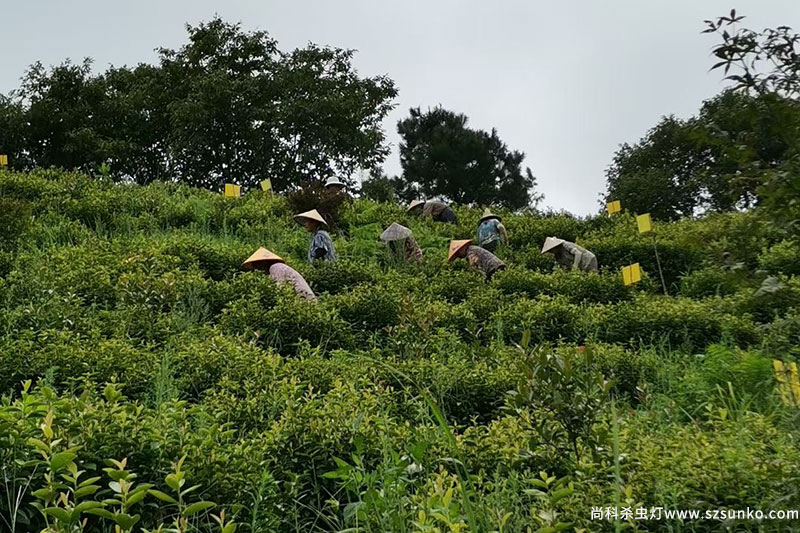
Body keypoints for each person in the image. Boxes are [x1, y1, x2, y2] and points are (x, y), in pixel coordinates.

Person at [242, 247, 316, 300]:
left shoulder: (275, 267)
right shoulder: (275, 269)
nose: (257, 269)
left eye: (256, 265)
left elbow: (279, 289)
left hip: (305, 301)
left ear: (264, 262)